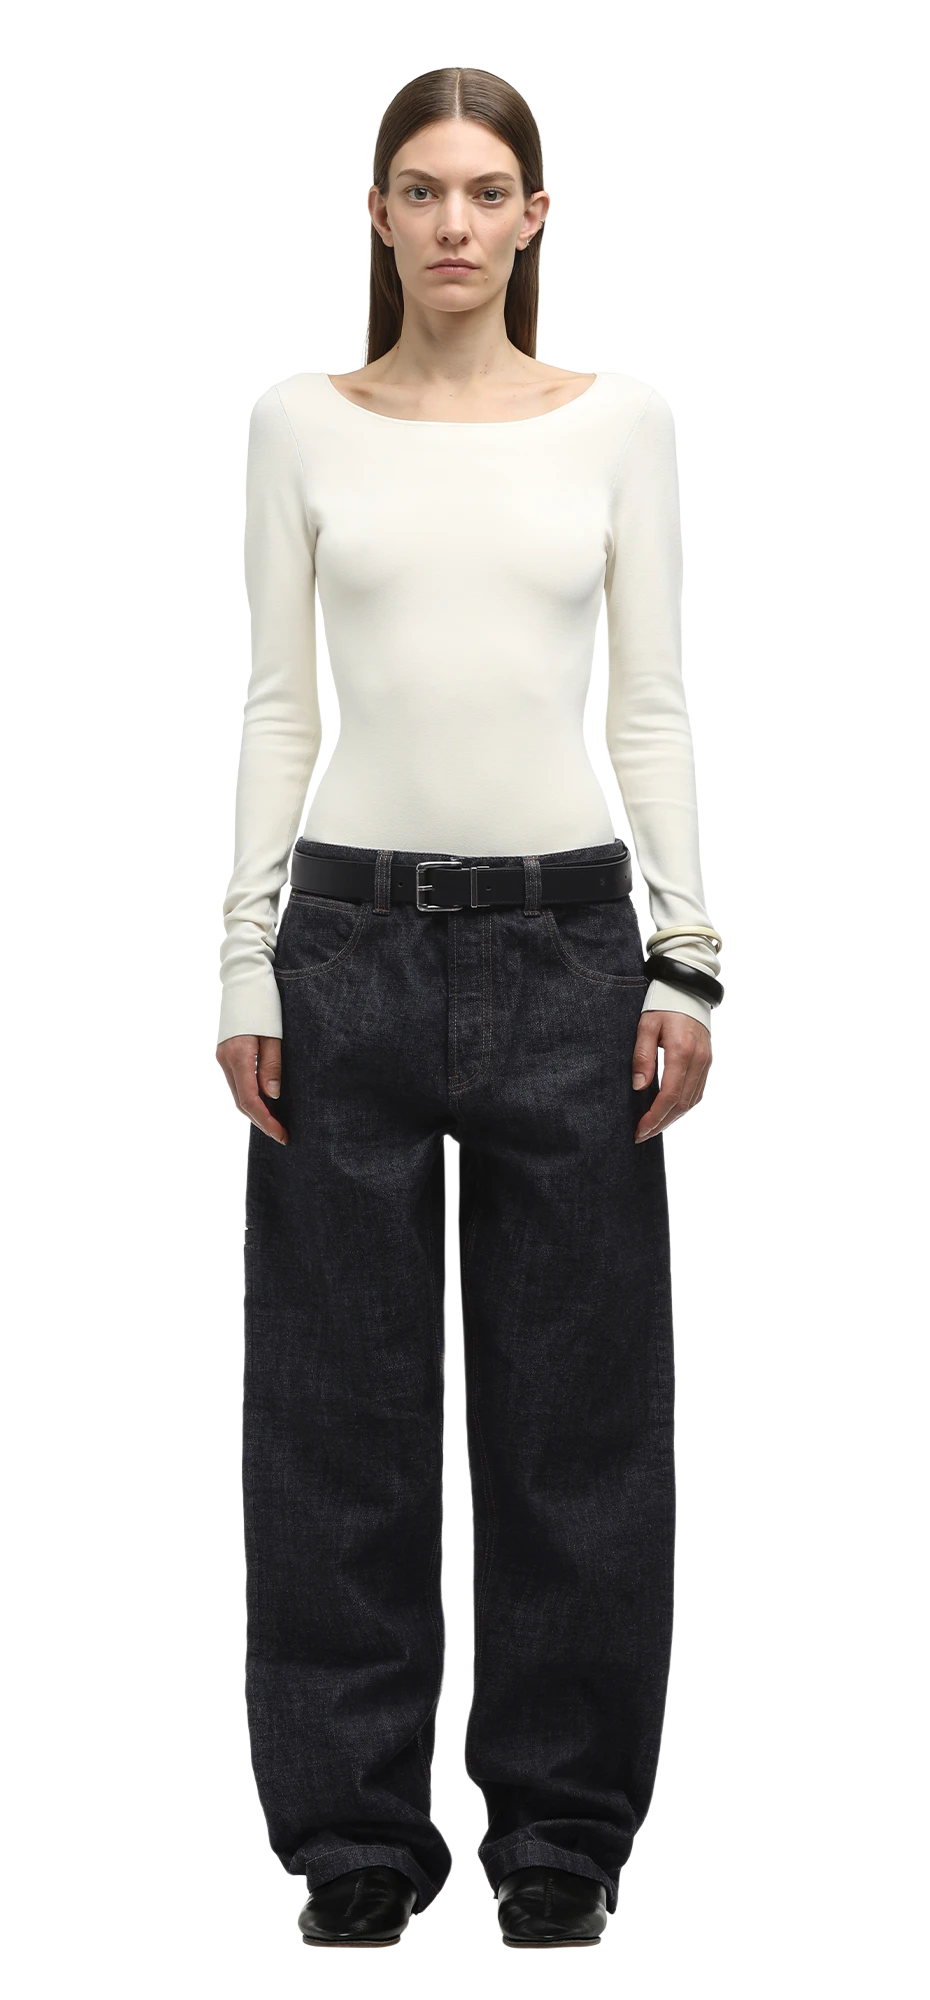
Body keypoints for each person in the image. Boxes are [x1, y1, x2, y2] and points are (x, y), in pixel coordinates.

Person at [216, 66, 725, 1952]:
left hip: (566, 950)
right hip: (344, 946)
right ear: (376, 215)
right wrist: (243, 954)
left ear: (531, 217)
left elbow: (647, 703)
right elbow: (278, 705)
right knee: (331, 1411)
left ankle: (559, 1834)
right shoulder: (298, 423)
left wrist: (686, 953)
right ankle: (353, 1832)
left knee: (573, 1422)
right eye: (419, 189)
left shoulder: (617, 425)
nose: (452, 222)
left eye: (484, 189)